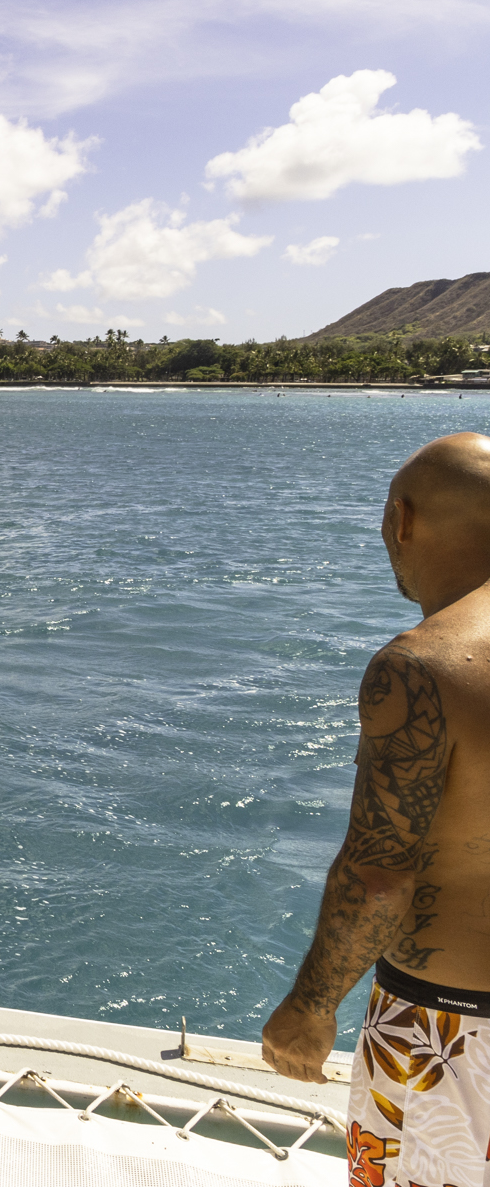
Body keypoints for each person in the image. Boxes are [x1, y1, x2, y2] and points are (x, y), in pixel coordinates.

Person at [262, 432, 490, 1186]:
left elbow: (380, 875)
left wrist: (311, 1004)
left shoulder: (423, 666)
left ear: (401, 519)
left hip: (447, 1032)